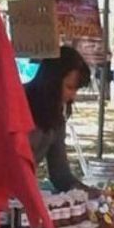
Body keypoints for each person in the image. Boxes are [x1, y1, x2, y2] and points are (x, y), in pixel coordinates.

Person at [24, 46, 91, 192]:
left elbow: (60, 174)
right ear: (52, 80)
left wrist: (91, 193)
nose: (72, 96)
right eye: (69, 87)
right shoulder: (17, 102)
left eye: (76, 89)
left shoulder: (56, 116)